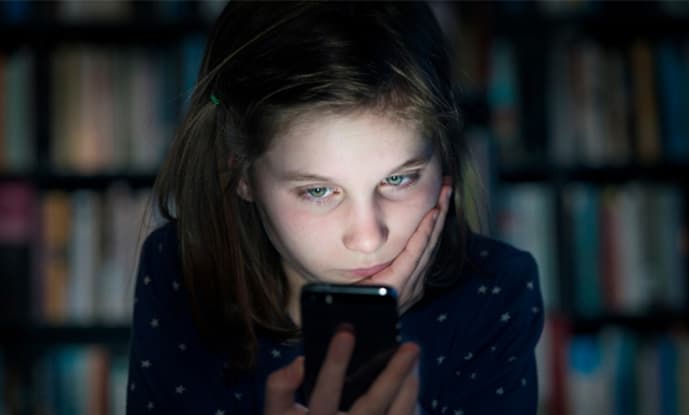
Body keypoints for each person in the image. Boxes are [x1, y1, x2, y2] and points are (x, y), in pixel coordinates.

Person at [126, 2, 544, 414]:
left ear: (443, 156)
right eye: (317, 191)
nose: (367, 238)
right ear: (242, 173)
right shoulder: (181, 272)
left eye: (398, 179)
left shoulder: (496, 290)